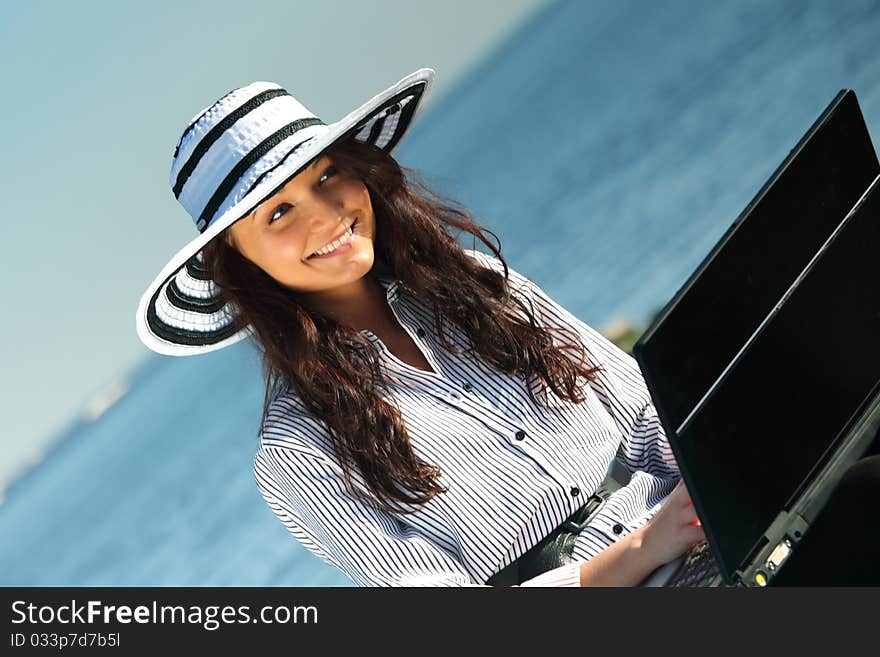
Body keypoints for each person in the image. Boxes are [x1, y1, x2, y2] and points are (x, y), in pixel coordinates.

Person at [136, 68, 879, 587]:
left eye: (328, 176)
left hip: (707, 526)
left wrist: (732, 467)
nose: (328, 216)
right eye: (279, 214)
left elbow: (649, 415)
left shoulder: (471, 282)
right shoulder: (297, 451)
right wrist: (641, 547)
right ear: (238, 264)